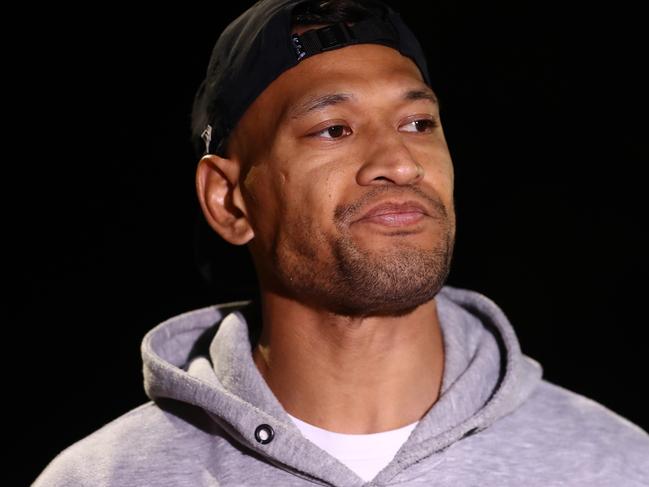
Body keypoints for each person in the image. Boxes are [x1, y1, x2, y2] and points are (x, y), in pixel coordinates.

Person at [32, 0, 649, 485]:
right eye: (333, 129)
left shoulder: (619, 466)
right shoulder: (103, 479)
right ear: (228, 200)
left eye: (418, 124)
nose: (401, 163)